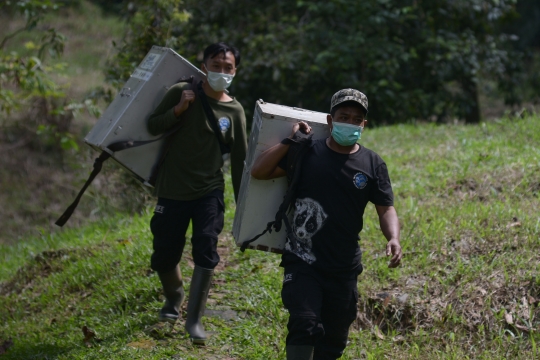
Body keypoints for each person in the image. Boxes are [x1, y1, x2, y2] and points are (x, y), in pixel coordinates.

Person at [250, 89, 402, 360]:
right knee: (304, 323)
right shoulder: (307, 152)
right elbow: (259, 171)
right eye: (344, 116)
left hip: (343, 267)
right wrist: (291, 139)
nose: (350, 122)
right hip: (302, 260)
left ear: (363, 125)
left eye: (356, 119)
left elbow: (386, 208)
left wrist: (393, 238)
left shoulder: (372, 164)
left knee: (333, 341)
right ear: (330, 121)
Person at [146, 42, 247, 344]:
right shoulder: (181, 91)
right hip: (172, 189)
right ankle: (173, 299)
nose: (221, 71)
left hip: (209, 190)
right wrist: (178, 110)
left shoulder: (236, 110)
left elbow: (241, 158)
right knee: (165, 254)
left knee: (206, 247)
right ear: (203, 67)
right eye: (216, 65)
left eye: (228, 67)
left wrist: (243, 204)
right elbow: (153, 126)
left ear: (235, 71)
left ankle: (195, 321)